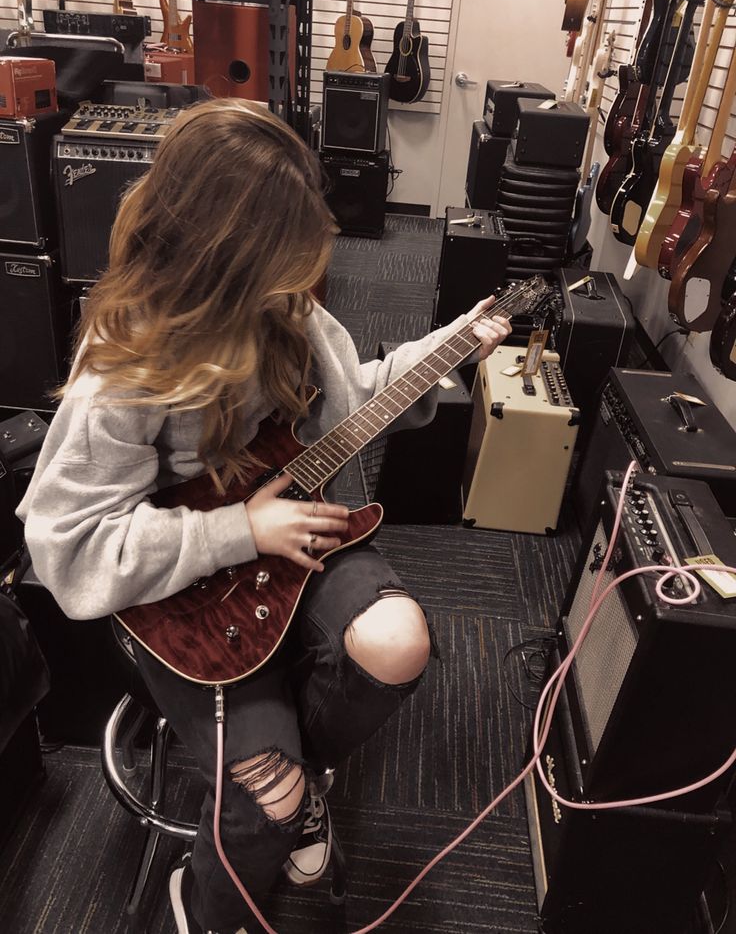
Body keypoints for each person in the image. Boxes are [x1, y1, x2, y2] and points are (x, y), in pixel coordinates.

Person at [17, 98, 512, 934]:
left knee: (399, 641)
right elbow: (68, 545)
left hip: (283, 534)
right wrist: (238, 531)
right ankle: (202, 903)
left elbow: (354, 395)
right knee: (270, 806)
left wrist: (451, 345)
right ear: (224, 257)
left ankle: (288, 752)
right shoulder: (125, 373)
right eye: (285, 248)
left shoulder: (288, 313)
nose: (310, 261)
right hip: (177, 596)